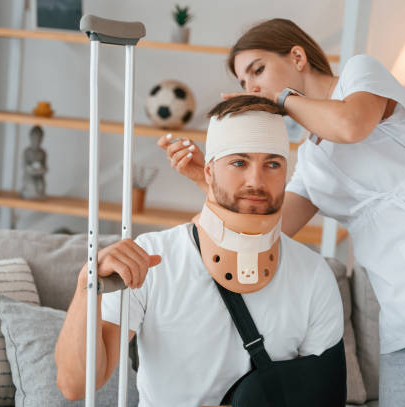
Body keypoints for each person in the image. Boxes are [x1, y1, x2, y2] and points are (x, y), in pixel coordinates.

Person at [158, 18, 405, 407]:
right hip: (402, 311)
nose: (252, 87)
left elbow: (351, 123)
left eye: (257, 70)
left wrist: (279, 99)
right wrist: (205, 180)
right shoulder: (311, 161)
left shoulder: (360, 76)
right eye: (243, 83)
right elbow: (267, 229)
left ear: (297, 56)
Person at [55, 97, 346, 407]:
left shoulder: (313, 274)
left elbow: (321, 396)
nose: (256, 181)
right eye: (239, 162)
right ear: (209, 172)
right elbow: (75, 385)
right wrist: (87, 286)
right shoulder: (151, 258)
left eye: (272, 164)